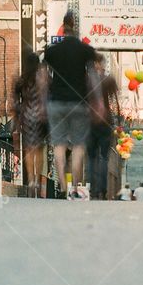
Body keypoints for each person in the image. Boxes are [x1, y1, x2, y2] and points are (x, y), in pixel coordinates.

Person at [43, 11, 98, 195]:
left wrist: (45, 99)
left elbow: (43, 78)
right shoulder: (85, 50)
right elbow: (92, 77)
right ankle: (74, 186)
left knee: (58, 144)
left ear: (63, 26)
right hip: (79, 102)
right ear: (75, 26)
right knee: (78, 145)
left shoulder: (52, 51)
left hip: (56, 102)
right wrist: (97, 101)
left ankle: (62, 186)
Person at [11, 52, 48, 198]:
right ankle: (37, 180)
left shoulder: (21, 80)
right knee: (39, 149)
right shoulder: (42, 79)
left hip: (26, 116)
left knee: (28, 149)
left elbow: (15, 101)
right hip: (40, 116)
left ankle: (31, 180)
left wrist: (16, 119)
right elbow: (47, 98)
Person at [87, 56, 119, 200]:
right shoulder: (109, 80)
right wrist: (117, 122)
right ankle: (102, 190)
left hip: (89, 122)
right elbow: (115, 102)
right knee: (104, 157)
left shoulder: (86, 80)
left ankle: (92, 189)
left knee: (91, 157)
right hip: (106, 122)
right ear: (102, 64)